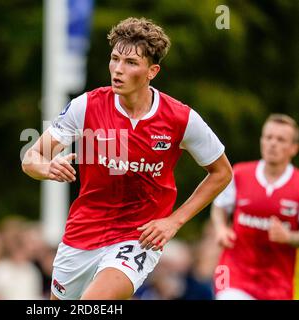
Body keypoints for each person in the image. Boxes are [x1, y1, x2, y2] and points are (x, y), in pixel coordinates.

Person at [22, 17, 232, 300]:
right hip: (82, 234)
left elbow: (221, 172)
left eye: (131, 63)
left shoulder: (180, 118)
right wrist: (46, 168)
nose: (118, 70)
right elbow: (31, 158)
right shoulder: (86, 107)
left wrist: (174, 221)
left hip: (137, 238)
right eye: (115, 59)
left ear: (152, 71)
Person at [211, 114, 299, 300]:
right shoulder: (240, 173)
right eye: (268, 137)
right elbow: (219, 207)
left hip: (278, 283)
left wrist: (289, 237)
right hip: (232, 273)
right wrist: (220, 228)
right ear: (261, 140)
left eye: (280, 139)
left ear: (293, 148)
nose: (272, 144)